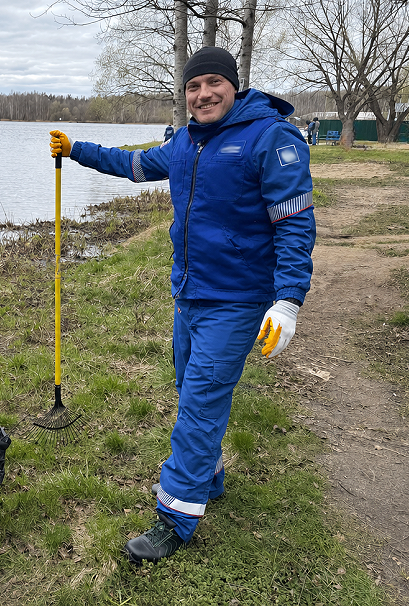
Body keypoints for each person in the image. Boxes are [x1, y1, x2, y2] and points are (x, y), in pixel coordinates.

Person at [50, 46, 315, 565]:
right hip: (189, 294)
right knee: (188, 386)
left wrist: (287, 300)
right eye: (193, 87)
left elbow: (294, 222)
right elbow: (131, 164)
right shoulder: (185, 143)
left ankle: (176, 517)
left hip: (238, 301)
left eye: (213, 83)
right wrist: (75, 148)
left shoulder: (270, 137)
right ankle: (209, 474)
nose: (203, 94)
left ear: (234, 86)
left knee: (197, 404)